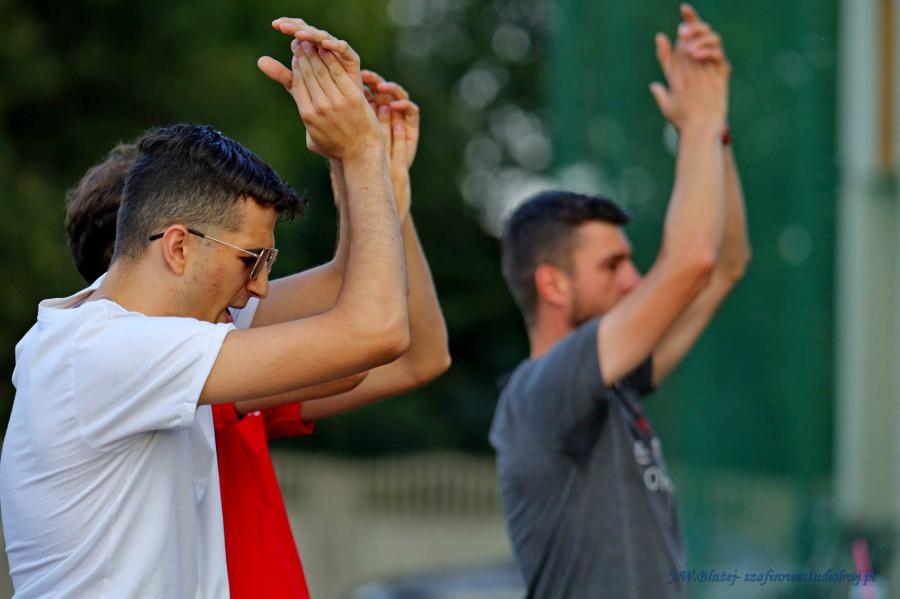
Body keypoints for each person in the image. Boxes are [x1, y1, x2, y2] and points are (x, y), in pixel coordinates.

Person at [0, 26, 434, 598]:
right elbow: (373, 332)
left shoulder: (158, 331)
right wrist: (361, 153)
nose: (259, 289)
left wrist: (348, 155)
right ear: (178, 247)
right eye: (253, 260)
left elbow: (345, 327)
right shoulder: (103, 351)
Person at [489, 6, 749, 598]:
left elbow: (724, 266)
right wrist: (698, 123)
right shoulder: (542, 392)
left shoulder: (616, 384)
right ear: (553, 284)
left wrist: (715, 131)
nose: (633, 280)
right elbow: (692, 261)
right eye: (612, 265)